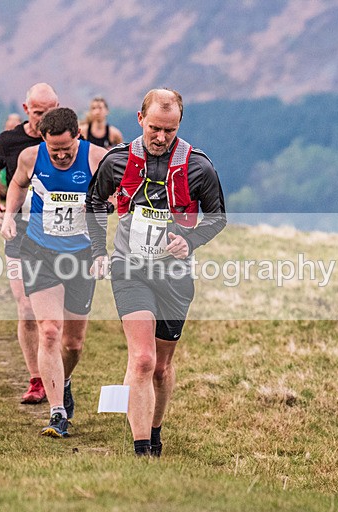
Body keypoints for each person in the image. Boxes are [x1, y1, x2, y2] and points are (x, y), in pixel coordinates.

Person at [86, 88, 226, 456]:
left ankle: (155, 430)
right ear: (139, 120)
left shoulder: (199, 167)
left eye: (169, 129)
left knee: (162, 367)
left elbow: (217, 217)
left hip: (175, 278)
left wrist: (190, 241)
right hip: (130, 269)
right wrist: (99, 251)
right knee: (143, 358)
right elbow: (95, 202)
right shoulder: (118, 160)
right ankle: (141, 449)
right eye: (154, 129)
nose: (161, 137)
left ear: (179, 124)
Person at [1, 107, 107, 437]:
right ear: (44, 141)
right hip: (40, 251)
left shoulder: (97, 158)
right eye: (54, 149)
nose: (60, 156)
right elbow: (18, 185)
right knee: (49, 330)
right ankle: (57, 411)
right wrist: (8, 215)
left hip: (80, 256)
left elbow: (119, 194)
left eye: (66, 148)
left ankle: (65, 378)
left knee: (73, 344)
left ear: (78, 136)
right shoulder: (31, 158)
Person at [0, 83, 59, 405]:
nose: (44, 119)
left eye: (50, 111)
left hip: (59, 234)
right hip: (20, 231)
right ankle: (37, 379)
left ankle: (58, 374)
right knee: (26, 307)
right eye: (39, 113)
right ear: (27, 110)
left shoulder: (68, 137)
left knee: (56, 317)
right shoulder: (10, 140)